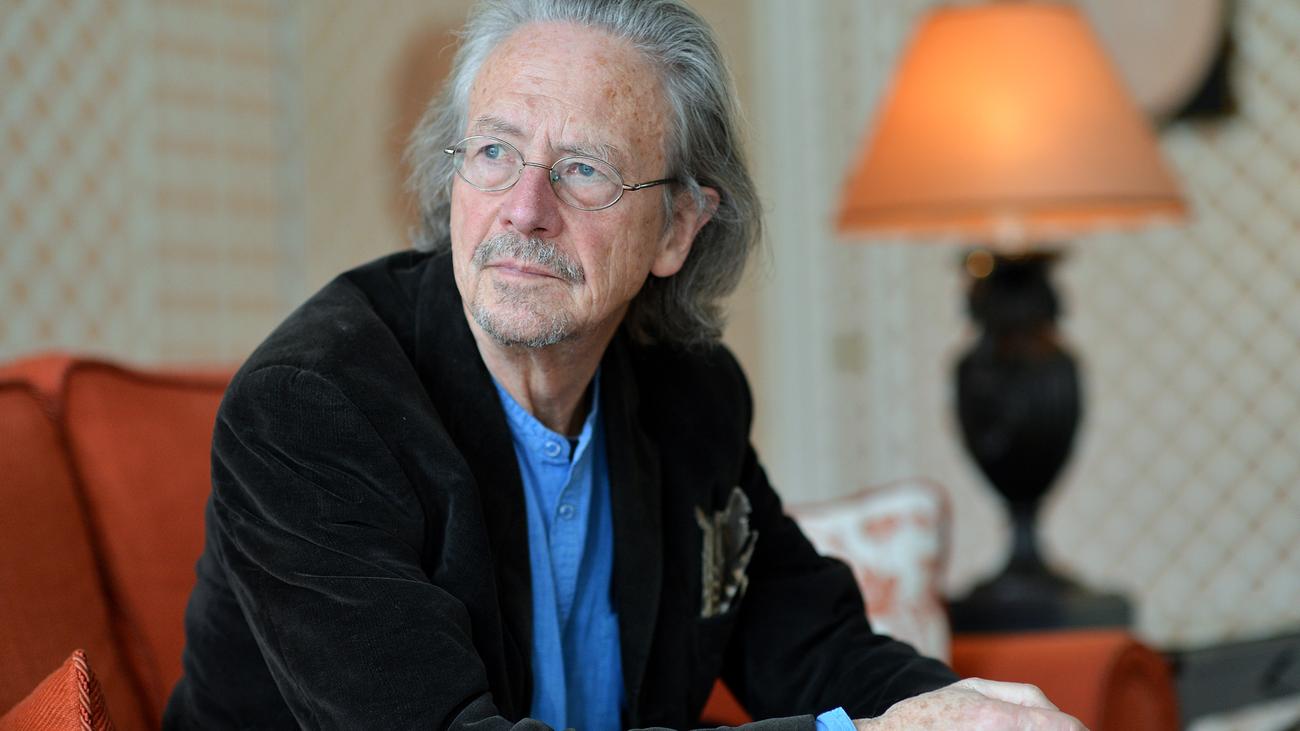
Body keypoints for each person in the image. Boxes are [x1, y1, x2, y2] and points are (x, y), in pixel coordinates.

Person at [164, 1, 1085, 729]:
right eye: (495, 151)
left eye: (584, 169)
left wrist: (973, 714)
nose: (524, 207)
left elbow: (815, 648)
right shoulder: (310, 410)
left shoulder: (690, 395)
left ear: (678, 227)